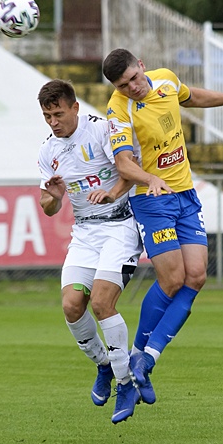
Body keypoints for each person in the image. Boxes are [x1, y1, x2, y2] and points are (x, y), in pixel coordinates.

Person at [101, 48, 223, 405]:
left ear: (142, 67)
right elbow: (122, 164)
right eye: (123, 85)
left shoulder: (164, 78)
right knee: (172, 279)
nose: (131, 87)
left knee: (196, 277)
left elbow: (192, 96)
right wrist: (149, 177)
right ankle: (137, 353)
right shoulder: (119, 110)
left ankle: (146, 360)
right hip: (152, 201)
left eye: (133, 78)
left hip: (184, 194)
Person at [37, 79, 144, 424]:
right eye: (46, 116)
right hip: (84, 232)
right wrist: (53, 197)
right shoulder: (48, 151)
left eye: (57, 114)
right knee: (71, 305)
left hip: (119, 225)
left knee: (101, 303)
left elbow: (130, 170)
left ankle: (126, 383)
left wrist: (113, 191)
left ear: (75, 108)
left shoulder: (101, 131)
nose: (53, 122)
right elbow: (48, 207)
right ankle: (104, 366)